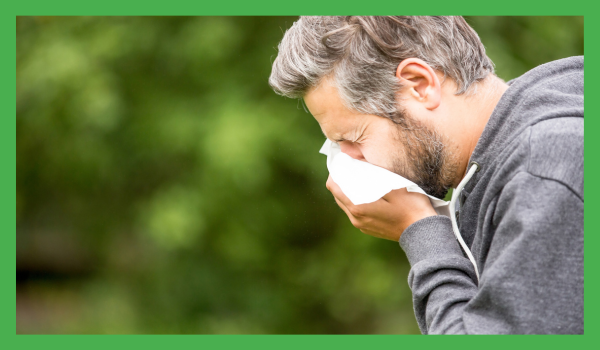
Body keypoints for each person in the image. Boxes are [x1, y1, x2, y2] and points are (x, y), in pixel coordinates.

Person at [268, 16, 583, 334]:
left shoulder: (544, 172)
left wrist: (420, 231)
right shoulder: (520, 152)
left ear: (419, 84)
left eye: (354, 138)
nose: (349, 161)